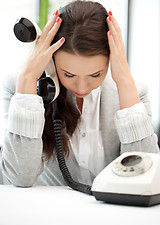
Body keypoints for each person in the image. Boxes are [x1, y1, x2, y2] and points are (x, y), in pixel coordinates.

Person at [0, 0, 159, 187]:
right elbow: (19, 178)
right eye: (68, 74)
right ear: (50, 60)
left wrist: (124, 79)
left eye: (95, 74)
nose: (82, 88)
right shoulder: (19, 89)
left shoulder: (134, 94)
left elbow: (147, 178)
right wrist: (28, 78)